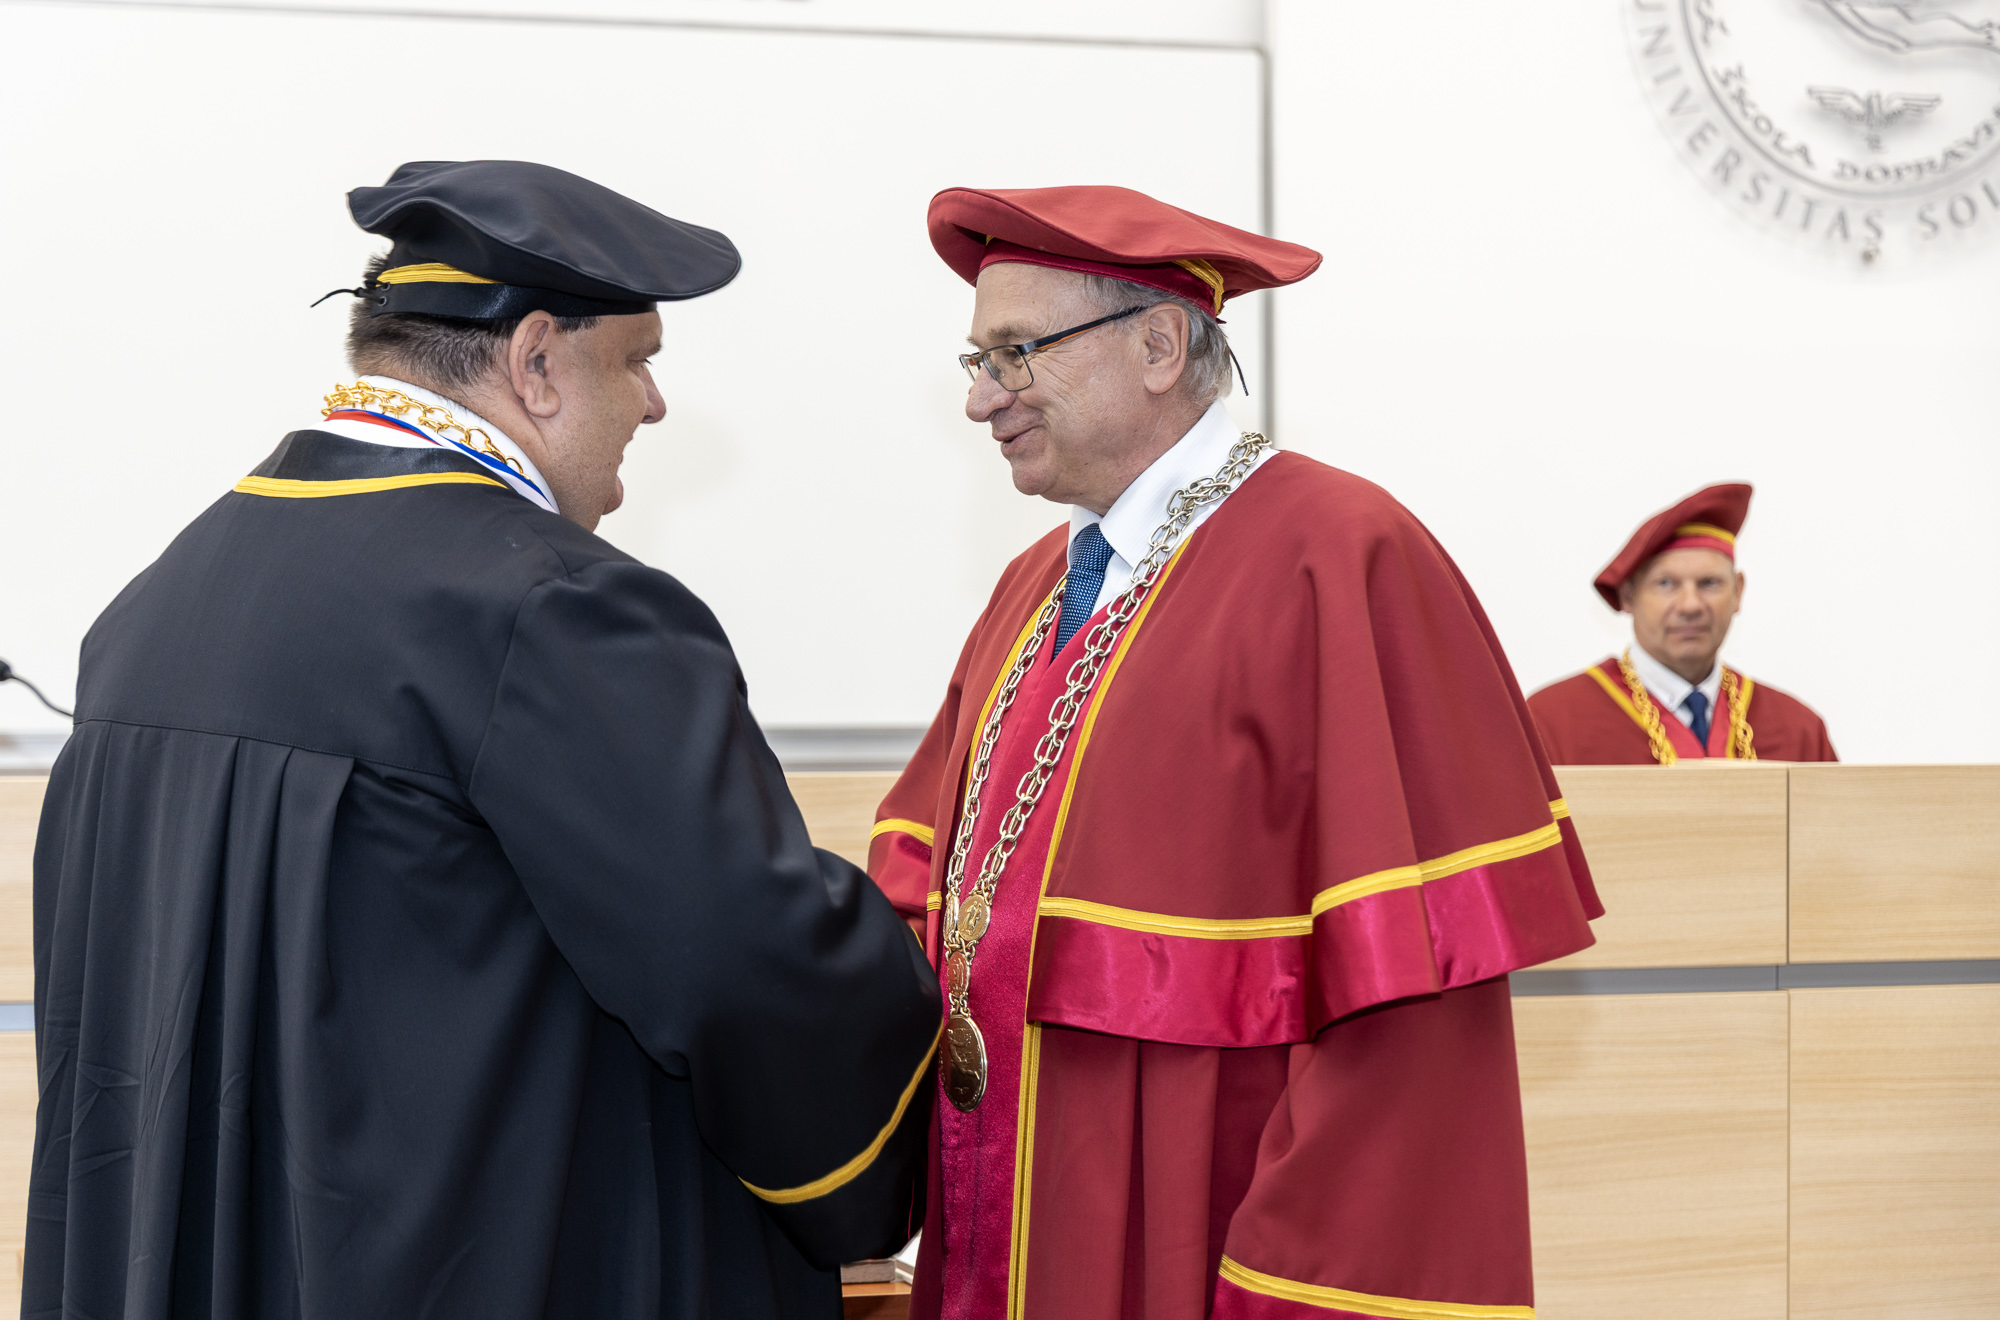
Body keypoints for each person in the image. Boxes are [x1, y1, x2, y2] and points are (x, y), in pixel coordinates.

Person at [28, 160, 940, 1320]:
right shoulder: (556, 611)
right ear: (536, 361)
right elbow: (744, 965)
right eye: (638, 359)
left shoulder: (158, 605)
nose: (654, 404)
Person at [868, 184, 1602, 1320]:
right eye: (977, 359)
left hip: (1190, 1237)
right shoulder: (1032, 590)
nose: (980, 399)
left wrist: (1291, 1291)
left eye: (1014, 354)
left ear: (1159, 346)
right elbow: (919, 896)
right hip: (1001, 1227)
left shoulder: (1340, 558)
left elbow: (1410, 1036)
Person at [1527, 483, 1837, 764]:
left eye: (1709, 583)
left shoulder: (1799, 731)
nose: (1690, 605)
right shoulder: (1552, 723)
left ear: (1738, 592)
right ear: (1629, 596)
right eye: (1666, 583)